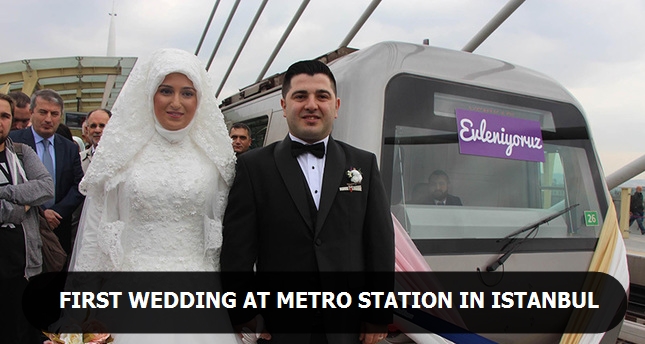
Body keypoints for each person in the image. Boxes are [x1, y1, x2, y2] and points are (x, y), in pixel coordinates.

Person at [68, 48, 239, 343]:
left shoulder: (217, 161)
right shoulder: (121, 156)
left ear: (200, 98)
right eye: (166, 91)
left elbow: (230, 235)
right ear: (150, 94)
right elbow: (96, 234)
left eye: (187, 93)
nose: (176, 103)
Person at [221, 60, 394, 344]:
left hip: (348, 324)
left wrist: (377, 314)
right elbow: (237, 251)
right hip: (278, 325)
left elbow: (380, 244)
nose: (311, 104)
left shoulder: (363, 163)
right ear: (284, 105)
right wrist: (244, 313)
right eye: (300, 96)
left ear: (336, 106)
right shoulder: (254, 168)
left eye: (322, 96)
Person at [0, 93, 54, 344]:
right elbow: (14, 209)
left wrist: (5, 192)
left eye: (4, 116)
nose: (0, 121)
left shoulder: (22, 153)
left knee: (23, 332)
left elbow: (45, 187)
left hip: (22, 266)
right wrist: (19, 207)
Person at [9, 89, 85, 255]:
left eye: (54, 114)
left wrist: (57, 212)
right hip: (23, 225)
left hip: (58, 226)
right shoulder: (14, 142)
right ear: (31, 112)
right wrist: (43, 212)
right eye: (43, 112)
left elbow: (78, 185)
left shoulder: (70, 148)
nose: (48, 119)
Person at [80, 108, 111, 173]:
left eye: (102, 126)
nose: (97, 130)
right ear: (87, 129)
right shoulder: (78, 159)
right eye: (93, 126)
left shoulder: (121, 160)